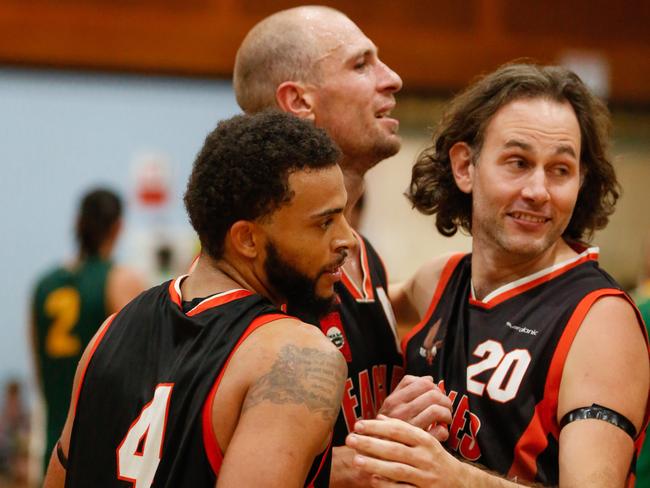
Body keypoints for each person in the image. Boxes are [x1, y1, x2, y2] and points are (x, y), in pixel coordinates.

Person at [346, 63, 650, 487]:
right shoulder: (438, 281)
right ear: (465, 167)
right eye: (518, 162)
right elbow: (342, 315)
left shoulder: (601, 323)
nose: (538, 191)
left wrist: (454, 478)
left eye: (560, 170)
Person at [43, 111, 352, 487]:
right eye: (325, 222)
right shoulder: (297, 356)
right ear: (247, 239)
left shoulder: (109, 332)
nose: (347, 239)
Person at [233, 7, 452, 485]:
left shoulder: (360, 252)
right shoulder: (259, 264)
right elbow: (211, 455)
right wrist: (378, 449)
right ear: (299, 101)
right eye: (361, 65)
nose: (392, 79)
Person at [31, 187, 144, 475]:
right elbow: (145, 372)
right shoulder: (119, 280)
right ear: (118, 227)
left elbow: (39, 373)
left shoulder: (43, 286)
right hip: (104, 451)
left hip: (55, 449)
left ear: (77, 224)